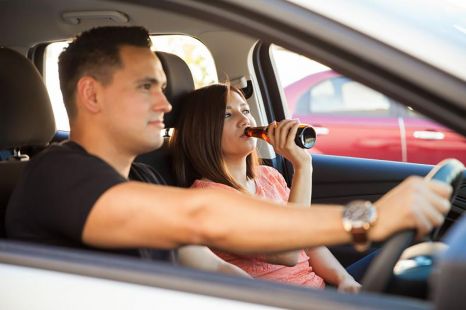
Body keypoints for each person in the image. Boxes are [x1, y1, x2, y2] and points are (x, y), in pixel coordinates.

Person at [5, 26, 452, 284]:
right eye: (146, 87)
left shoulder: (143, 177)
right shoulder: (55, 175)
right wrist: (366, 219)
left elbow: (203, 258)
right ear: (91, 95)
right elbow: (204, 214)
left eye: (163, 88)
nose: (165, 104)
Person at [171, 83, 365, 292]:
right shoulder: (208, 199)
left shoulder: (269, 177)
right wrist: (303, 167)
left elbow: (309, 240)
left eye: (245, 110)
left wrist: (344, 279)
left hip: (322, 290)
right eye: (227, 115)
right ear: (203, 131)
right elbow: (288, 252)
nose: (244, 119)